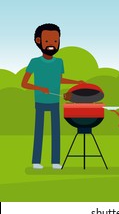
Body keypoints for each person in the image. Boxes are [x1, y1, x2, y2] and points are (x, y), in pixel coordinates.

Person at [21, 23, 83, 170]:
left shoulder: (59, 62)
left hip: (55, 102)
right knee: (39, 131)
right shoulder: (35, 62)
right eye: (48, 41)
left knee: (56, 132)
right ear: (38, 41)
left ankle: (55, 161)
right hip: (41, 101)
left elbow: (59, 79)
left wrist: (76, 82)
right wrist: (40, 88)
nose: (52, 45)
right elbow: (24, 83)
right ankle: (36, 161)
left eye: (55, 41)